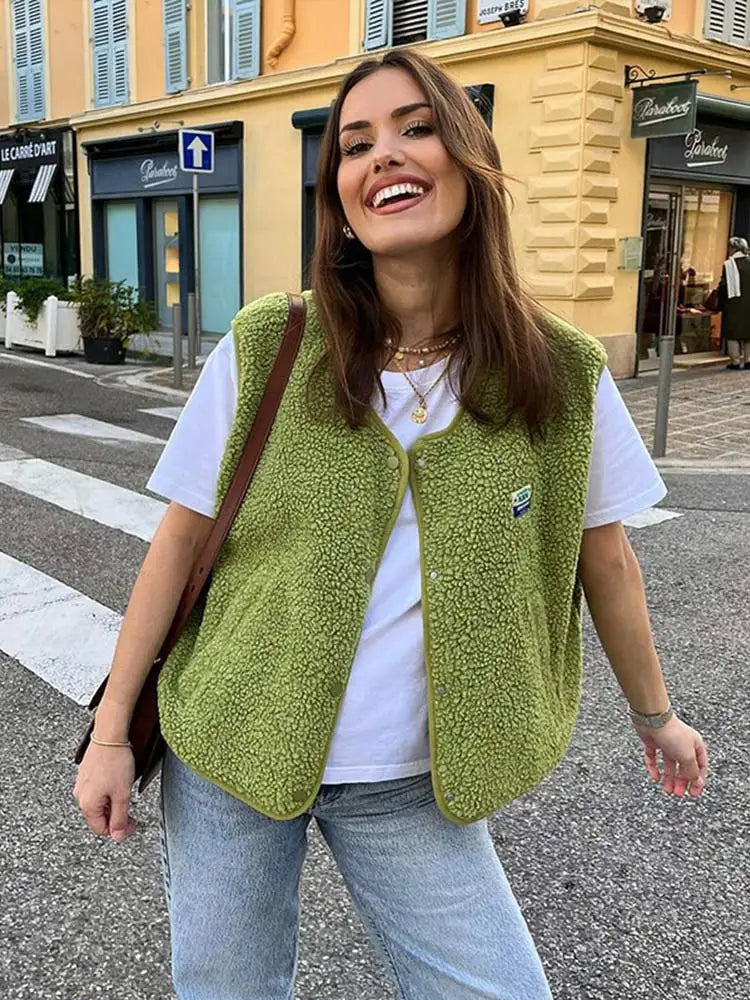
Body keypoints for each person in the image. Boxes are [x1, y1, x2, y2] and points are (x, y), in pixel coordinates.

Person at [74, 49, 709, 1000]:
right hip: (232, 751)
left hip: (415, 780)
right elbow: (176, 542)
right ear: (338, 194)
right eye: (356, 144)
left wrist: (655, 715)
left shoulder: (562, 374)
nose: (384, 157)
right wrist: (113, 731)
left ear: (468, 159)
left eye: (416, 128)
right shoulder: (270, 342)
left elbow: (606, 557)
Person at [717, 236, 750, 370]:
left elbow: (724, 286)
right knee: (749, 332)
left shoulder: (729, 264)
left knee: (732, 332)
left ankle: (735, 361)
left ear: (733, 248)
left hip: (734, 302)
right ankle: (748, 360)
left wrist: (720, 302)